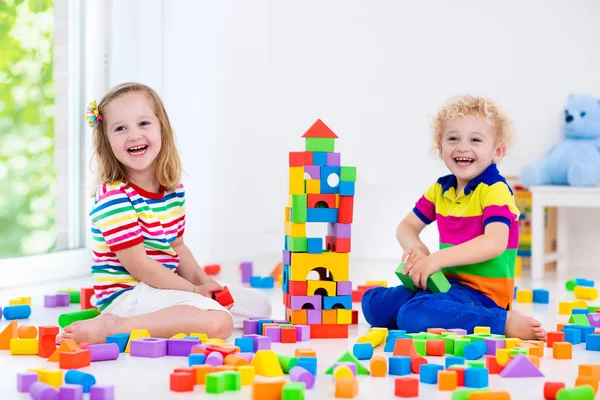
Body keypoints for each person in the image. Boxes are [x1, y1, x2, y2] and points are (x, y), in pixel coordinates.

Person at [58, 82, 272, 345]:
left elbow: (176, 246)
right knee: (220, 322)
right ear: (106, 141)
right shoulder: (114, 196)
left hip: (161, 288)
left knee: (260, 308)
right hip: (129, 295)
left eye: (144, 123)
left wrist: (206, 284)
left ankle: (175, 316)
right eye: (120, 128)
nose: (133, 135)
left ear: (162, 128)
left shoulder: (172, 190)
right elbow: (139, 265)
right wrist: (193, 291)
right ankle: (115, 326)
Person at [362, 95, 545, 340]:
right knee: (373, 305)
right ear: (440, 148)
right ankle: (435, 307)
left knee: (411, 316)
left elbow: (494, 242)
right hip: (444, 285)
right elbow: (406, 226)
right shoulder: (441, 189)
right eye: (453, 138)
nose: (462, 146)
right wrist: (418, 250)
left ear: (497, 151)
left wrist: (437, 260)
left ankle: (501, 322)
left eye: (476, 140)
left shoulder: (495, 190)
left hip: (481, 295)